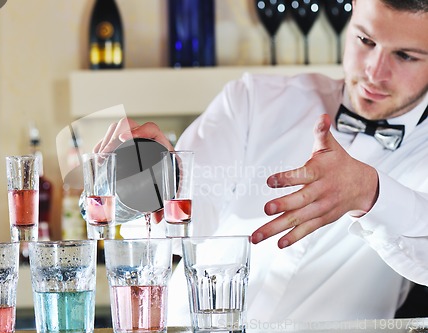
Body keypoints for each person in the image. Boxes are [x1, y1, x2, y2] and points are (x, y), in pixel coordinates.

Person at [96, 0, 428, 325]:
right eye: (365, 40)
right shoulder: (252, 99)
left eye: (404, 55)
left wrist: (370, 192)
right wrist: (157, 184)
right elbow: (188, 223)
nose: (374, 70)